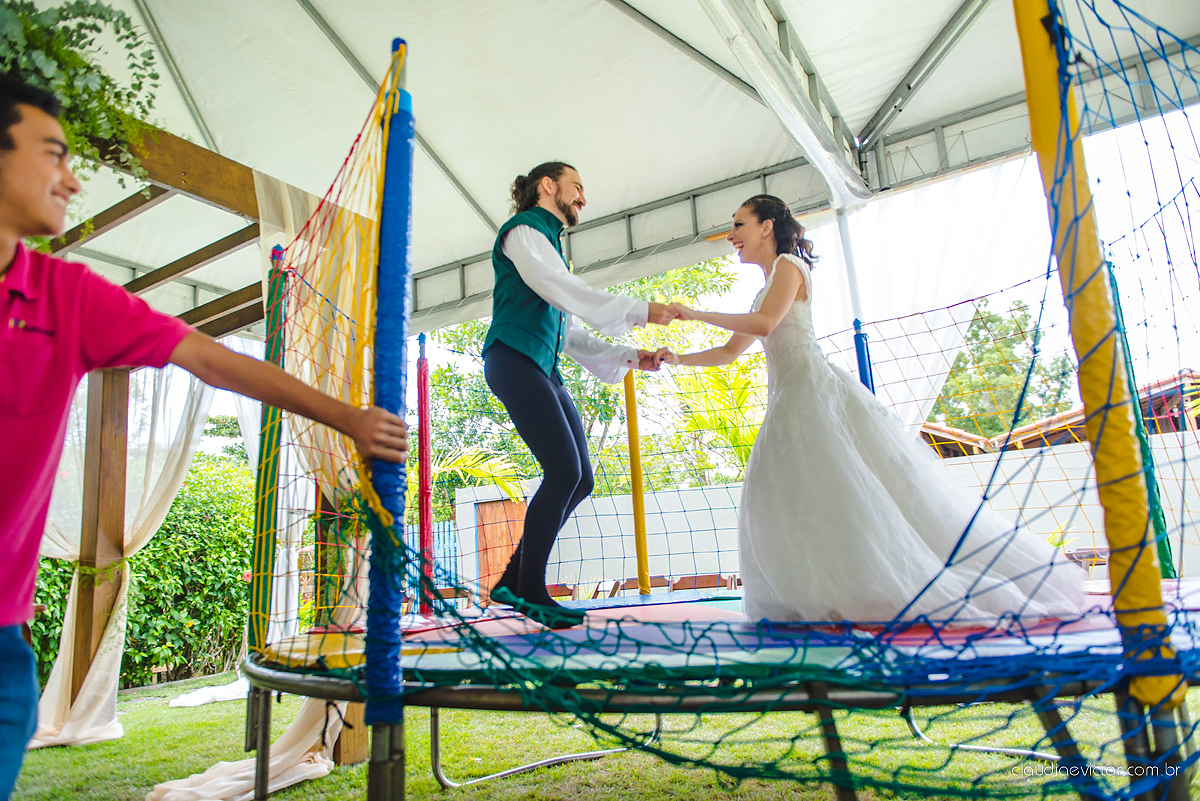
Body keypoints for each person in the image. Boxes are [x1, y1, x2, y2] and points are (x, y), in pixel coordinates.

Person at [0, 74, 407, 797]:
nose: (71, 179)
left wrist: (346, 417)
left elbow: (214, 360)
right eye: (54, 153)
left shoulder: (67, 296)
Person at [662, 194, 1086, 624]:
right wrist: (673, 358)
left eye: (739, 224)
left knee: (842, 492)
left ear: (766, 226)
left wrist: (694, 313)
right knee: (792, 496)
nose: (732, 235)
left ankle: (873, 589)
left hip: (811, 393)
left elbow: (767, 325)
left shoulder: (790, 267)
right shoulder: (762, 289)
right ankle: (819, 591)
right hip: (786, 398)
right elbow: (730, 351)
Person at [483, 161, 675, 629]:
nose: (583, 198)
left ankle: (511, 580)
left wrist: (631, 355)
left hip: (540, 364)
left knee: (581, 478)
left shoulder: (550, 247)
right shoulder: (523, 232)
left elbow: (565, 332)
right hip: (512, 358)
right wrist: (641, 311)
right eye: (577, 187)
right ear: (548, 186)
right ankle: (530, 589)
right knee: (563, 470)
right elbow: (564, 290)